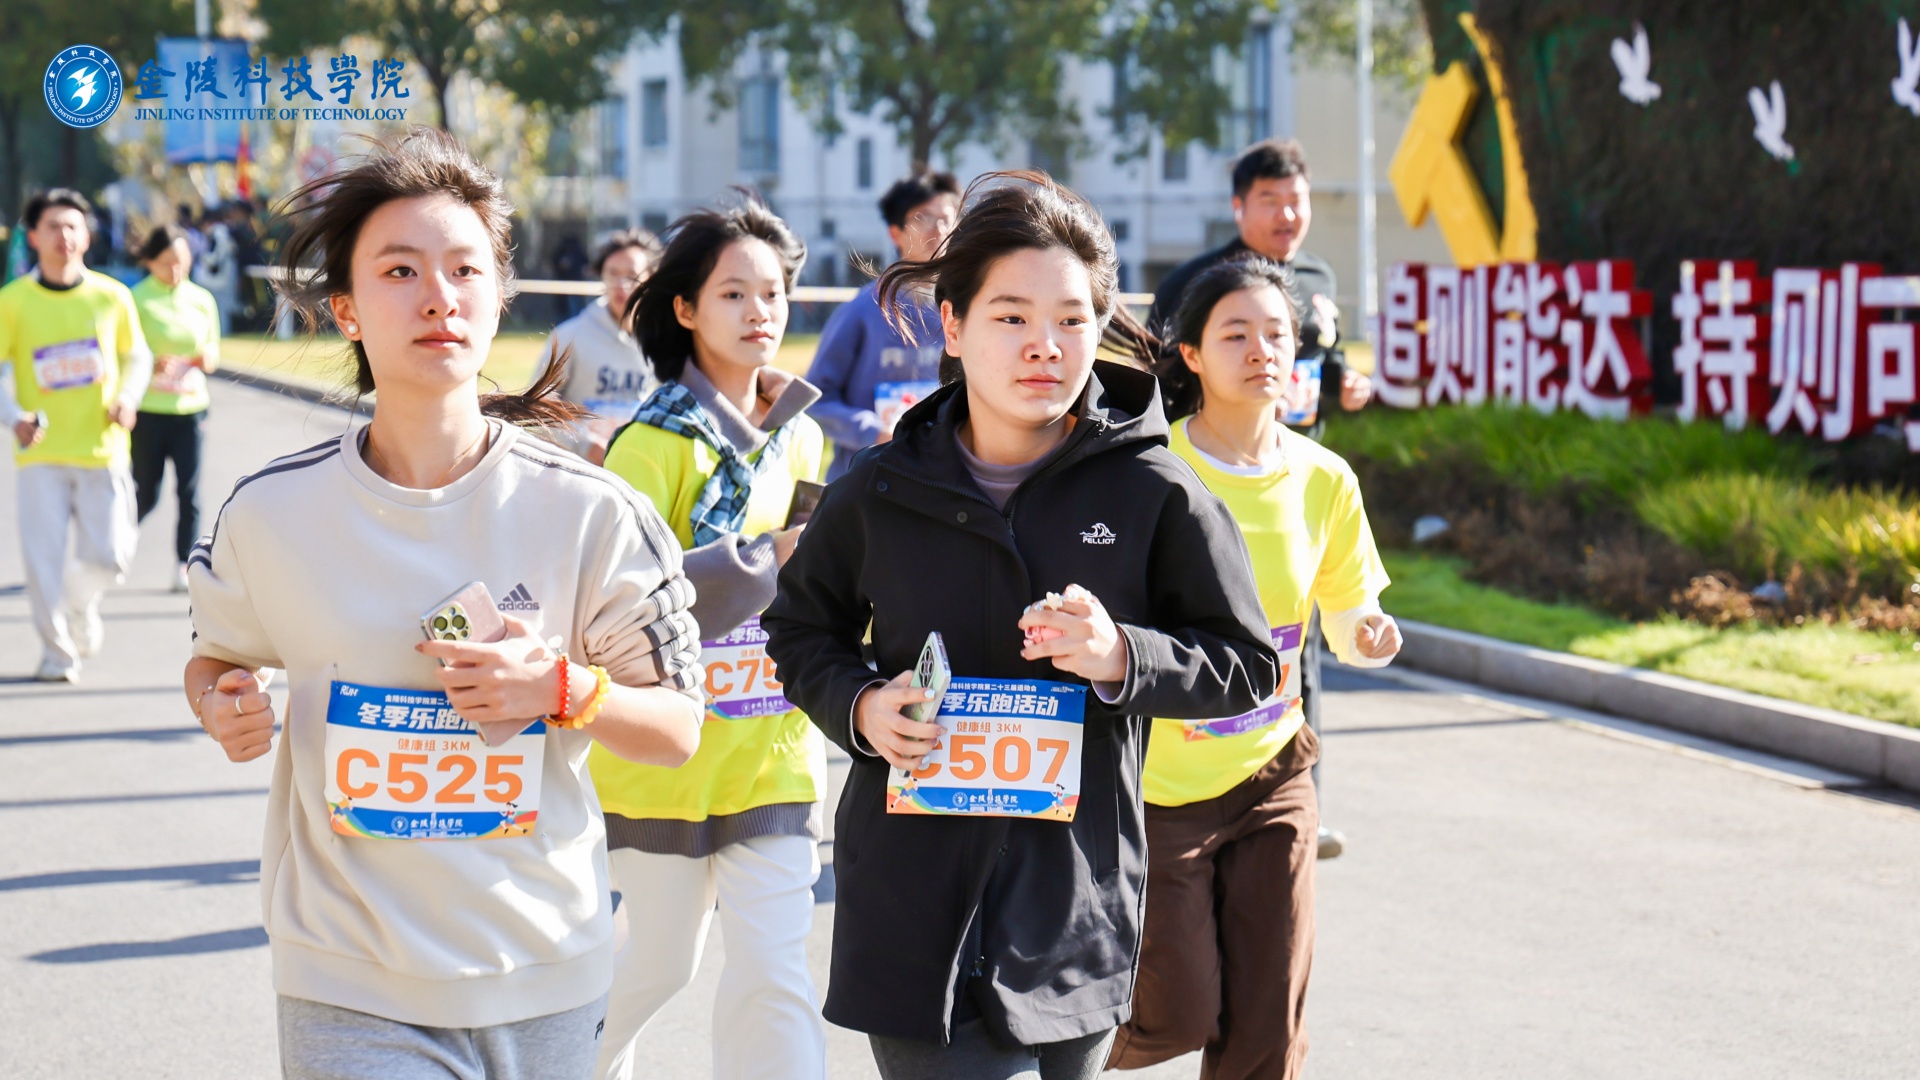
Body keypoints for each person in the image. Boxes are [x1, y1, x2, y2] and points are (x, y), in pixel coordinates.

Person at [182, 127, 705, 1079]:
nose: (438, 296)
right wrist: (221, 702)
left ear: (500, 294)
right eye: (400, 271)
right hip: (348, 980)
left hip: (547, 973)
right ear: (345, 310)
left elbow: (676, 727)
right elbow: (216, 656)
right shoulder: (272, 514)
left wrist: (562, 691)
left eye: (465, 269)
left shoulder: (591, 512)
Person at [762, 172, 1280, 1079]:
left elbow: (1245, 662)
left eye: (1072, 319)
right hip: (917, 916)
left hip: (1072, 915)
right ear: (953, 326)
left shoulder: (1153, 489)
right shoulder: (880, 491)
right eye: (1011, 317)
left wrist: (1122, 656)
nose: (1045, 344)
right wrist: (862, 709)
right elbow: (801, 630)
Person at [1108, 256, 1402, 1080]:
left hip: (1275, 772)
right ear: (1192, 354)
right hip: (1161, 785)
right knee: (1177, 1011)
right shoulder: (1150, 469)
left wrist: (1368, 633)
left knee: (1268, 1025)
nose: (1262, 350)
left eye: (1277, 333)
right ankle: (1051, 1046)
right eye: (1235, 334)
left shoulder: (1323, 478)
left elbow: (1345, 611)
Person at [589, 198, 829, 1080]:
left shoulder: (803, 435)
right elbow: (618, 600)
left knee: (776, 975)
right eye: (734, 293)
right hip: (664, 762)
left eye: (773, 292)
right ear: (685, 309)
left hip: (775, 753)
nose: (760, 310)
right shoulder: (651, 444)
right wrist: (766, 558)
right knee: (658, 966)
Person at [1148, 138, 1374, 858]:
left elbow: (1323, 368)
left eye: (1296, 200)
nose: (1287, 214)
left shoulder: (1317, 278)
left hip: (1289, 485)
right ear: (1239, 206)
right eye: (1269, 200)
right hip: (1213, 479)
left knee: (1294, 667)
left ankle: (1295, 807)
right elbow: (1156, 384)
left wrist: (1342, 389)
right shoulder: (1195, 283)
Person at [0, 187, 152, 683]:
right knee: (42, 562)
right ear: (33, 236)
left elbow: (137, 356)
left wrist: (127, 397)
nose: (63, 236)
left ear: (86, 235)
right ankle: (57, 654)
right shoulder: (13, 301)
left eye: (72, 226)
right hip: (40, 453)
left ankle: (79, 604)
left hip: (102, 448)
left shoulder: (112, 296)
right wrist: (13, 416)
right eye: (52, 227)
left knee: (112, 557)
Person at [806, 170, 960, 479]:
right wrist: (873, 432)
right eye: (923, 218)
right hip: (864, 481)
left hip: (941, 481)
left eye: (947, 218)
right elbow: (816, 397)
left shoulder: (966, 310)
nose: (938, 229)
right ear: (895, 232)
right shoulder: (862, 310)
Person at [129, 223, 221, 593]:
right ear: (150, 261)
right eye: (167, 262)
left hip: (191, 410)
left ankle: (185, 564)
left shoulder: (201, 299)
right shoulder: (135, 300)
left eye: (183, 261)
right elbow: (122, 353)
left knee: (190, 491)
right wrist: (151, 364)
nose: (176, 269)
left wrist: (204, 358)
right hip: (149, 411)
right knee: (146, 491)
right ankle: (112, 544)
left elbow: (212, 349)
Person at [532, 227, 663, 463]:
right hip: (577, 472)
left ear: (651, 278)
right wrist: (586, 446)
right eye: (613, 273)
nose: (622, 284)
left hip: (639, 469)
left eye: (632, 274)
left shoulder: (664, 341)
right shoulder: (569, 336)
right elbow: (538, 404)